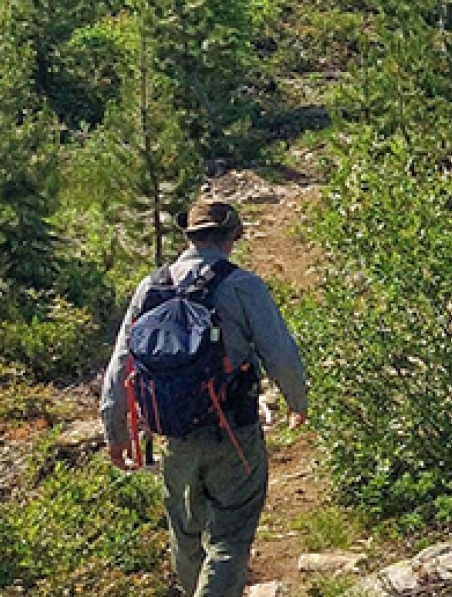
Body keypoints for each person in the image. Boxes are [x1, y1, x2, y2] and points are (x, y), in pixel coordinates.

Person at [100, 200, 309, 597]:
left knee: (185, 534)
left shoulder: (152, 286)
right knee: (230, 536)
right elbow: (279, 352)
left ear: (189, 237)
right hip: (233, 432)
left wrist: (116, 430)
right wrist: (296, 401)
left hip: (173, 436)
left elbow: (121, 364)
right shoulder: (242, 285)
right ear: (232, 236)